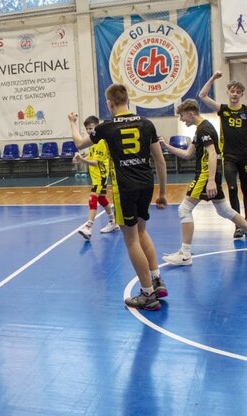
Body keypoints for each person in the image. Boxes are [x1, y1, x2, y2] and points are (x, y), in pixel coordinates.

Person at [68, 83, 168, 311]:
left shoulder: (107, 127)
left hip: (125, 187)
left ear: (109, 103)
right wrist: (162, 193)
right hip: (146, 183)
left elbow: (80, 143)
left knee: (131, 239)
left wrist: (73, 122)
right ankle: (156, 279)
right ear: (128, 100)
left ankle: (147, 294)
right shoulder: (147, 123)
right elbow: (160, 161)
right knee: (142, 231)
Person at [160, 99, 247, 265]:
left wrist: (211, 180)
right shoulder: (201, 129)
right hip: (209, 175)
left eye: (182, 116)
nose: (181, 120)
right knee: (224, 210)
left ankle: (185, 254)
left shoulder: (204, 128)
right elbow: (188, 154)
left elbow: (212, 153)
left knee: (184, 209)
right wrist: (166, 146)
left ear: (191, 113)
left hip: (205, 175)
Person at [199, 71, 247, 239]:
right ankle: (238, 225)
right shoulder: (223, 109)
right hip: (229, 157)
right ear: (228, 93)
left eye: (238, 92)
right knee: (232, 189)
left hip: (246, 155)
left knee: (246, 188)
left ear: (242, 94)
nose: (235, 94)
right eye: (232, 91)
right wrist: (213, 78)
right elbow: (202, 95)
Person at [73, 115, 118, 240]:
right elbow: (91, 157)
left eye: (91, 128)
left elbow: (95, 162)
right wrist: (80, 159)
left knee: (92, 199)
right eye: (87, 129)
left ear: (97, 127)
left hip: (100, 174)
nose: (89, 131)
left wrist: (82, 160)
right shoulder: (92, 142)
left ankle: (88, 227)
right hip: (95, 174)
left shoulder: (101, 142)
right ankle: (113, 221)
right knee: (102, 199)